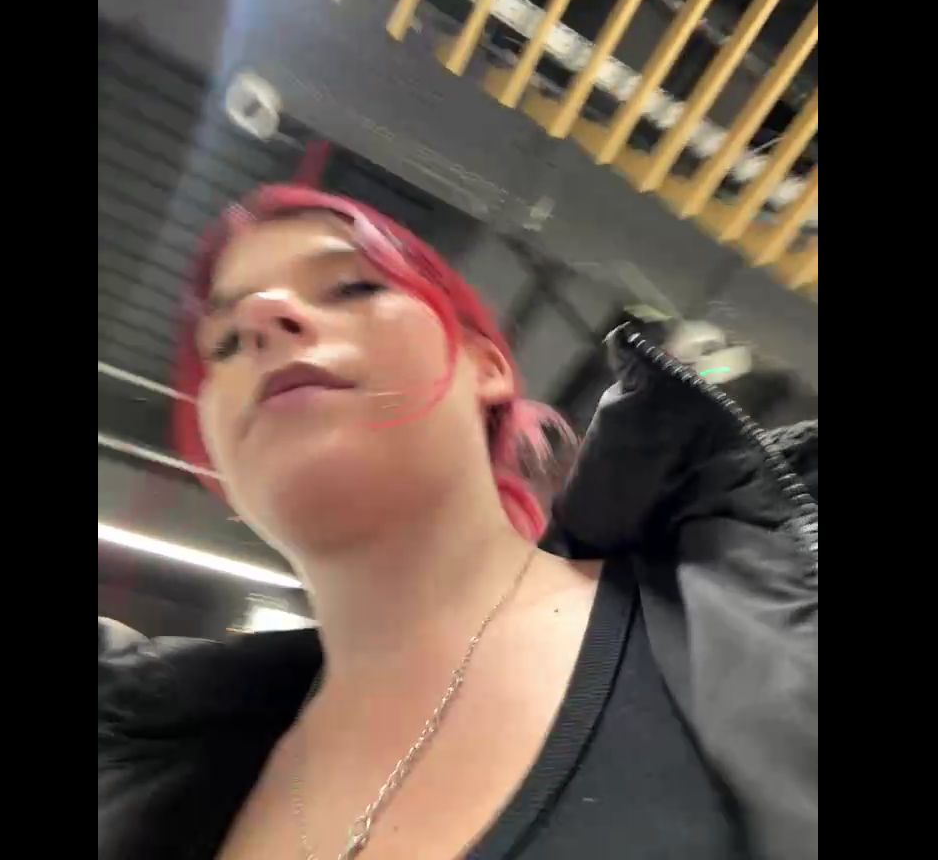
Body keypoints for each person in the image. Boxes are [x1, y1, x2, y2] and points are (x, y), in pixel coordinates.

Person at [98, 184, 818, 860]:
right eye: (223, 343)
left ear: (486, 366)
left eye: (352, 286)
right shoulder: (159, 779)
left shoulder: (760, 610)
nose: (262, 317)